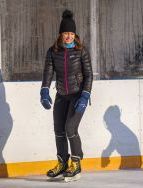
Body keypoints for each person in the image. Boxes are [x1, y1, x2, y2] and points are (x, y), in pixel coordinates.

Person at [40, 9, 93, 182]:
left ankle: (76, 163)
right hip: (62, 95)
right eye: (65, 33)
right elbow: (48, 72)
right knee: (59, 130)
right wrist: (45, 90)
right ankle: (62, 163)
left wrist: (85, 96)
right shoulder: (53, 51)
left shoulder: (81, 51)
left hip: (78, 96)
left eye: (71, 33)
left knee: (70, 128)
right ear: (61, 34)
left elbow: (89, 75)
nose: (68, 36)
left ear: (74, 34)